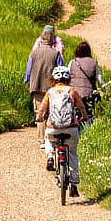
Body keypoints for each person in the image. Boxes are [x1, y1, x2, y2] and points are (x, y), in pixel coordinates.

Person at [43, 61, 86, 201]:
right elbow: (81, 106)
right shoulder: (71, 91)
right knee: (72, 153)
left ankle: (50, 156)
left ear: (54, 79)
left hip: (53, 128)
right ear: (68, 79)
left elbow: (42, 109)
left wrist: (38, 118)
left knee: (48, 138)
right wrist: (84, 117)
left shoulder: (50, 92)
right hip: (71, 127)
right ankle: (74, 185)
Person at [22, 26, 63, 166]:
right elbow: (60, 69)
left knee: (39, 113)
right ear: (52, 39)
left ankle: (42, 140)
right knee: (52, 112)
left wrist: (28, 81)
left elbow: (28, 71)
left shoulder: (34, 53)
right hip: (51, 88)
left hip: (36, 86)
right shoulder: (55, 53)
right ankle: (51, 138)